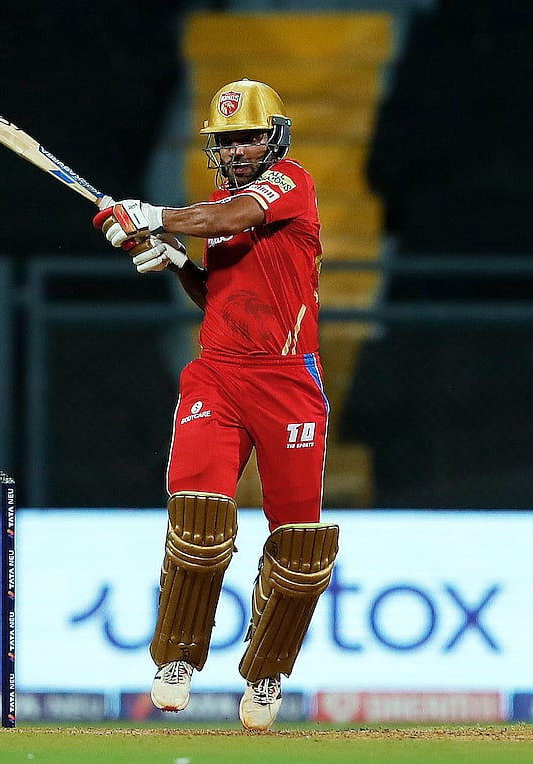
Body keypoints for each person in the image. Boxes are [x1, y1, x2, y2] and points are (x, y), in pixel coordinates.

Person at [92, 79, 340, 731]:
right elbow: (225, 303)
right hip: (219, 379)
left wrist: (155, 216)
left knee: (299, 545)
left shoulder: (291, 185)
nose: (236, 150)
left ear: (275, 138)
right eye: (225, 141)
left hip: (289, 384)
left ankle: (267, 674)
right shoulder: (217, 212)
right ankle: (176, 660)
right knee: (197, 518)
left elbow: (230, 219)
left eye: (248, 137)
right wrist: (176, 261)